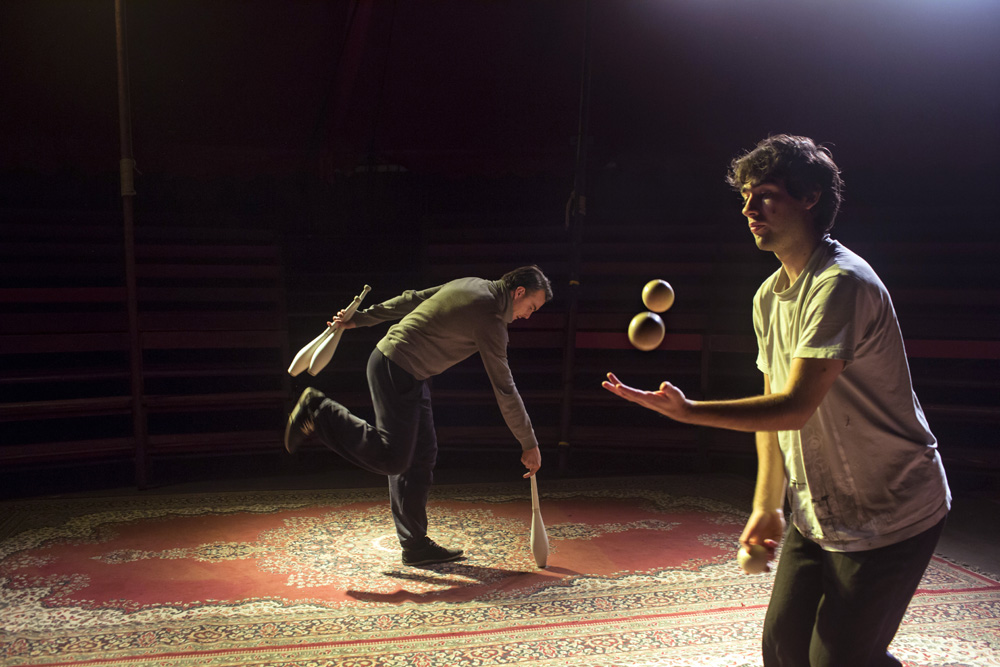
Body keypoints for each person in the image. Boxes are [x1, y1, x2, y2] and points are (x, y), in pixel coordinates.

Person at [602, 135, 950, 666]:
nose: (748, 209)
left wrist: (691, 411)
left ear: (809, 197)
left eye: (763, 195)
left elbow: (794, 406)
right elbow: (773, 414)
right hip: (820, 511)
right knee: (784, 653)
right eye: (744, 196)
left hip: (891, 509)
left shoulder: (841, 283)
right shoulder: (769, 296)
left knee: (841, 660)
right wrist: (767, 505)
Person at [285, 265, 552, 566]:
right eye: (531, 307)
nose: (528, 315)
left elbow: (412, 299)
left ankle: (415, 545)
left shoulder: (471, 283)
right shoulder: (490, 319)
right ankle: (318, 411)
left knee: (422, 455)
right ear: (518, 292)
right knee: (394, 459)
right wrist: (528, 442)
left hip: (405, 370)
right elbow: (505, 388)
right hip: (396, 367)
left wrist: (361, 318)